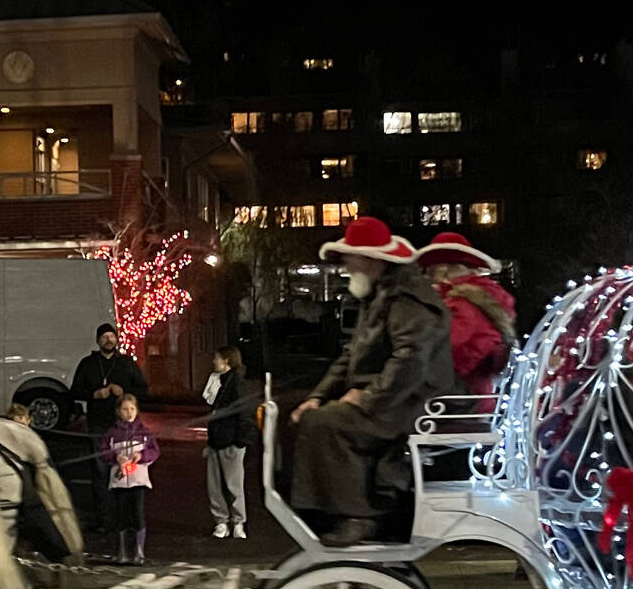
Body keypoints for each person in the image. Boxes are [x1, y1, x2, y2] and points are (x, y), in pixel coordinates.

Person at [290, 216, 455, 547]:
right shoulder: (382, 293)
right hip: (397, 396)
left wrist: (366, 399)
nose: (345, 266)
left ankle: (360, 517)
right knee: (306, 414)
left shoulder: (406, 298)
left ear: (371, 259)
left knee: (327, 423)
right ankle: (331, 511)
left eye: (349, 257)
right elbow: (350, 357)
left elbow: (410, 361)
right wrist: (317, 395)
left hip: (414, 403)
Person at [416, 232, 517, 399]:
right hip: (473, 397)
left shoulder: (461, 304)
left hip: (455, 403)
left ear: (442, 270)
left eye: (428, 272)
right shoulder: (482, 299)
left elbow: (446, 353)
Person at [70, 323, 148, 531]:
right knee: (100, 471)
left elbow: (143, 389)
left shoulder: (125, 363)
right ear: (98, 341)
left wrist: (124, 391)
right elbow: (74, 391)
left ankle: (128, 520)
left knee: (127, 471)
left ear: (117, 339)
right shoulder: (87, 364)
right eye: (104, 337)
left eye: (111, 336)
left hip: (124, 427)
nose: (108, 340)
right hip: (98, 424)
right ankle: (104, 520)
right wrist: (95, 394)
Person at [99, 393, 159, 564]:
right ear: (119, 411)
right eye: (125, 409)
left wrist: (141, 455)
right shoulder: (112, 433)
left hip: (138, 480)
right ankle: (121, 551)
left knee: (138, 514)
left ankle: (139, 551)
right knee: (121, 515)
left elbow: (155, 452)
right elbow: (104, 452)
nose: (129, 412)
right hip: (119, 481)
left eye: (132, 409)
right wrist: (115, 457)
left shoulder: (144, 433)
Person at [205, 345, 255, 539]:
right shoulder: (223, 382)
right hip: (218, 439)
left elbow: (244, 413)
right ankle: (224, 521)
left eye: (217, 358)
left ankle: (235, 522)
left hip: (229, 440)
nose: (213, 361)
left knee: (232, 484)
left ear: (226, 360)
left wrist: (240, 440)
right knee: (217, 484)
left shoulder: (236, 384)